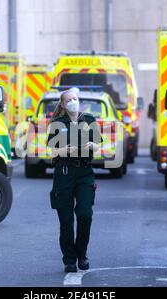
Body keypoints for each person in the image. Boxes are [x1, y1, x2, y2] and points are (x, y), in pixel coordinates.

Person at [46, 88, 103, 273]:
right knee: (66, 220)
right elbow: (52, 152)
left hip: (84, 173)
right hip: (64, 173)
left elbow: (98, 145)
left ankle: (82, 254)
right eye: (68, 99)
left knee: (85, 215)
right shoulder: (57, 123)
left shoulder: (89, 120)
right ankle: (69, 260)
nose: (73, 101)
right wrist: (65, 151)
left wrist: (91, 146)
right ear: (62, 105)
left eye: (75, 98)